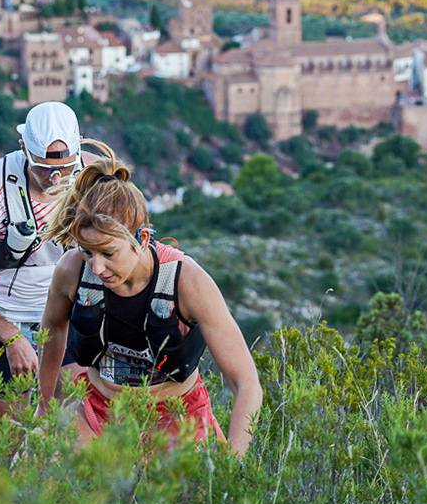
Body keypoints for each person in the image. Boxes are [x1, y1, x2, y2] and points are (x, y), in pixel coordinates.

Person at [37, 141, 263, 457]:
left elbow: (246, 383)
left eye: (108, 253)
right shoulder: (73, 270)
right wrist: (45, 407)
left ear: (142, 238)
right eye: (87, 252)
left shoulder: (187, 282)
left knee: (194, 488)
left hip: (177, 417)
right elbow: (52, 331)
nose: (97, 267)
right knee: (37, 461)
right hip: (98, 411)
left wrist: (234, 463)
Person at [0, 102, 95, 407]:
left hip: (65, 314)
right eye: (43, 168)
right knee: (8, 427)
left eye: (65, 168)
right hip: (0, 314)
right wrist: (11, 337)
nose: (55, 178)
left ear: (79, 148)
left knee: (73, 416)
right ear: (23, 147)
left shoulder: (95, 177)